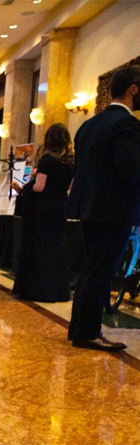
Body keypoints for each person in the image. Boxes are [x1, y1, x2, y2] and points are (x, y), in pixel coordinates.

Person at [66, 65, 140, 351]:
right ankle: (87, 332)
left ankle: (79, 328)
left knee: (90, 269)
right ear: (133, 89)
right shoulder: (127, 125)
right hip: (113, 210)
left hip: (89, 208)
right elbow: (130, 167)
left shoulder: (88, 125)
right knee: (101, 270)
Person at [13, 123, 75, 303]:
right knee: (56, 247)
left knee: (41, 248)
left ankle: (39, 289)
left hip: (43, 209)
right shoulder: (70, 161)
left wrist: (27, 186)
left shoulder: (48, 160)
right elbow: (70, 186)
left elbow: (40, 187)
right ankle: (58, 290)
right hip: (60, 206)